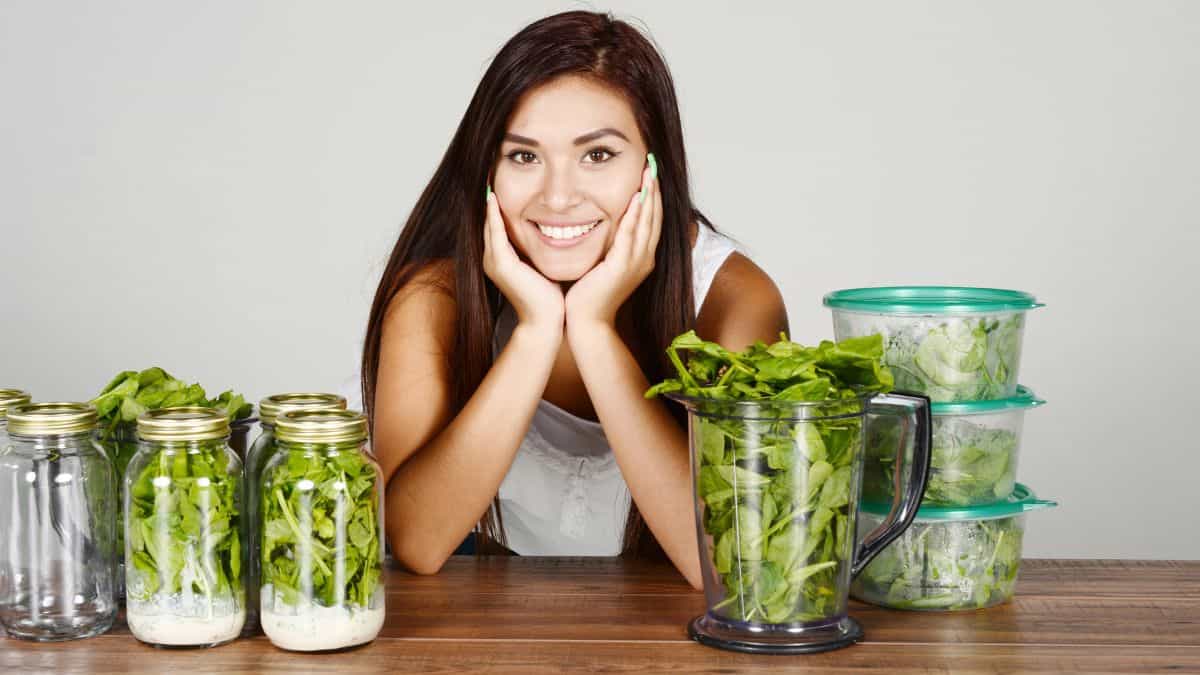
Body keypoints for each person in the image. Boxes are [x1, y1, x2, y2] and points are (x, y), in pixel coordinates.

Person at [361, 10, 787, 589]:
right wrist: (536, 330)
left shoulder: (734, 303)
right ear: (487, 170)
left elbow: (726, 564)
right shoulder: (435, 294)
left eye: (598, 155)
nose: (558, 197)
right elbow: (415, 541)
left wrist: (593, 329)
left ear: (653, 166)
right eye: (524, 156)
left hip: (669, 619)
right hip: (488, 604)